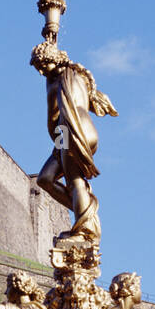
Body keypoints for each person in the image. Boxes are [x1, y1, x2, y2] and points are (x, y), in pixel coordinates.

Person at [31, 39, 118, 244]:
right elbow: (53, 42)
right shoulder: (75, 73)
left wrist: (56, 137)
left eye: (43, 66)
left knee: (74, 181)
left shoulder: (56, 81)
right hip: (86, 130)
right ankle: (85, 213)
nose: (42, 72)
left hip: (69, 130)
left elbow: (52, 118)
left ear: (52, 59)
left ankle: (84, 227)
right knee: (45, 178)